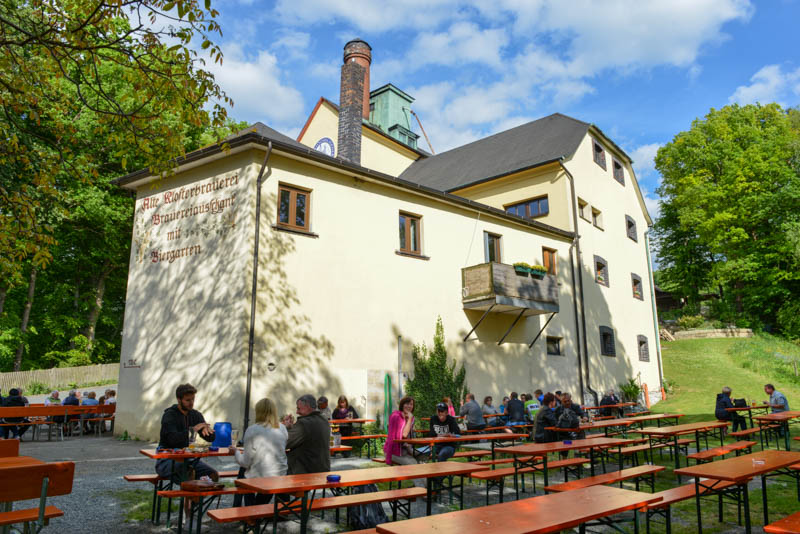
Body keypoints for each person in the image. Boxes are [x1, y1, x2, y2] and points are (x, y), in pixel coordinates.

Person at [156, 383, 219, 484]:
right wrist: (193, 430)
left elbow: (210, 438)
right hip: (166, 459)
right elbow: (172, 439)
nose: (191, 403)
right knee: (189, 472)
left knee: (212, 475)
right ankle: (189, 499)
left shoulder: (195, 415)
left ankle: (195, 500)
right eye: (188, 400)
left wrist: (208, 431)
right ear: (179, 399)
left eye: (193, 399)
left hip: (189, 459)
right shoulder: (169, 416)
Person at [235, 398, 288, 506]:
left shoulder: (252, 429)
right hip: (280, 474)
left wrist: (235, 452)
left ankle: (249, 512)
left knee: (243, 475)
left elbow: (245, 462)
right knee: (250, 474)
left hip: (262, 477)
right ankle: (254, 510)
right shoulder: (282, 428)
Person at [281, 394, 330, 474]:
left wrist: (283, 427)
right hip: (322, 469)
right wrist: (291, 427)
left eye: (298, 408)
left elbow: (284, 442)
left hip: (304, 472)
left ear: (307, 406)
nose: (297, 412)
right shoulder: (324, 420)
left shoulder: (304, 423)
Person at [384, 396, 425, 487]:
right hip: (393, 452)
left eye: (411, 404)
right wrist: (409, 419)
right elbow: (404, 435)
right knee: (413, 463)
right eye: (407, 403)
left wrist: (409, 445)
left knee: (423, 461)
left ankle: (426, 488)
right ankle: (422, 490)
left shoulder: (410, 418)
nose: (409, 406)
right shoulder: (396, 416)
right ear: (402, 405)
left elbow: (408, 437)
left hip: (404, 450)